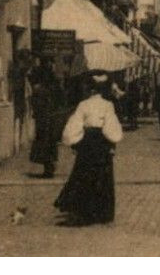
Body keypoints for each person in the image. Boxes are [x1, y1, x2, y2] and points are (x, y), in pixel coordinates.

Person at [55, 72, 123, 225]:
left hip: (87, 143)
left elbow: (74, 124)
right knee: (102, 175)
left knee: (84, 173)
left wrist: (74, 142)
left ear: (91, 90)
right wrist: (112, 142)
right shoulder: (108, 105)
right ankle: (101, 212)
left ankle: (84, 211)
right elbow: (110, 128)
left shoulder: (83, 105)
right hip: (101, 143)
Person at [29, 59, 65, 178]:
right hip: (51, 118)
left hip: (43, 120)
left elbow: (35, 104)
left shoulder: (39, 89)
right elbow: (61, 100)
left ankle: (48, 167)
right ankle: (50, 166)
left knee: (43, 143)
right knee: (51, 143)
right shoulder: (55, 86)